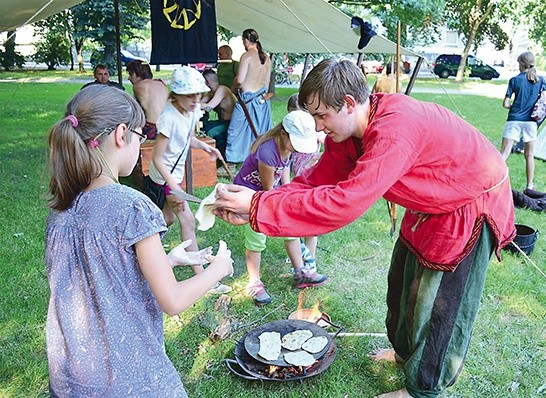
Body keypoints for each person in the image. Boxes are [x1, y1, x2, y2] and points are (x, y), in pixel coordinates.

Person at [213, 58, 515, 398]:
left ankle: (422, 390)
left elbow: (346, 202)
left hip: (468, 205)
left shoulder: (395, 129)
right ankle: (403, 354)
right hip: (430, 201)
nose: (316, 127)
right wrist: (257, 203)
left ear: (348, 103)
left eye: (321, 116)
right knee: (403, 284)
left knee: (439, 304)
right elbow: (316, 181)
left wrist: (258, 207)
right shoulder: (347, 132)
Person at [45, 85, 234, 396]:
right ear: (122, 134)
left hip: (70, 381)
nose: (141, 143)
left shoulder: (60, 209)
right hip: (128, 380)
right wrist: (220, 269)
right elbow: (172, 301)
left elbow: (100, 272)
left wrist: (167, 260)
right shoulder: (131, 206)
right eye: (140, 135)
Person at [149, 65, 232, 294]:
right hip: (164, 180)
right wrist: (173, 186)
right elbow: (157, 158)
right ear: (175, 94)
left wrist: (206, 148)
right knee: (187, 221)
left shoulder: (191, 111)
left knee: (164, 221)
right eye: (189, 95)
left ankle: (144, 254)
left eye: (198, 94)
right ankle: (203, 278)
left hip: (173, 179)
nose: (196, 99)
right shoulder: (168, 118)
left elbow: (187, 139)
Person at [234, 110, 328, 305]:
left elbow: (283, 172)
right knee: (256, 235)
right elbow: (268, 190)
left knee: (290, 227)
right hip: (250, 195)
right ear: (283, 134)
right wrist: (281, 203)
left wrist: (288, 194)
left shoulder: (287, 147)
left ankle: (301, 273)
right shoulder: (267, 151)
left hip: (270, 191)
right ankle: (254, 282)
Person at [286, 93, 325, 266]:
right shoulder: (290, 136)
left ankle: (311, 258)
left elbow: (331, 145)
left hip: (312, 182)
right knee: (298, 220)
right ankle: (298, 252)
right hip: (298, 182)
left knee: (311, 223)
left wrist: (317, 157)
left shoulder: (312, 133)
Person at [499, 52, 546, 191]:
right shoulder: (541, 80)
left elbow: (505, 103)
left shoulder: (514, 80)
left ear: (521, 63)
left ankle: (493, 182)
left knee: (504, 153)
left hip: (514, 119)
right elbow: (544, 101)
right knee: (529, 155)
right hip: (531, 122)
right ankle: (529, 186)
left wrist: (515, 106)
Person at [225, 28, 272, 165]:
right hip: (261, 99)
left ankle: (232, 162)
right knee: (259, 130)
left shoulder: (247, 56)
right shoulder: (267, 58)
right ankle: (258, 157)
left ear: (245, 40)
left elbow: (240, 80)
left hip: (247, 99)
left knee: (235, 130)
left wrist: (233, 88)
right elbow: (266, 82)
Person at [200, 68, 237, 167]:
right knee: (202, 127)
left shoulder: (222, 89)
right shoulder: (211, 92)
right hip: (221, 122)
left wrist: (193, 104)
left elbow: (209, 107)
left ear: (207, 81)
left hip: (230, 124)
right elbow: (201, 103)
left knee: (208, 132)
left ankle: (212, 159)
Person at [126, 60, 170, 140]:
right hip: (169, 126)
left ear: (137, 73)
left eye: (130, 74)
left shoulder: (138, 86)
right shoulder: (161, 84)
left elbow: (136, 112)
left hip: (152, 128)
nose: (129, 78)